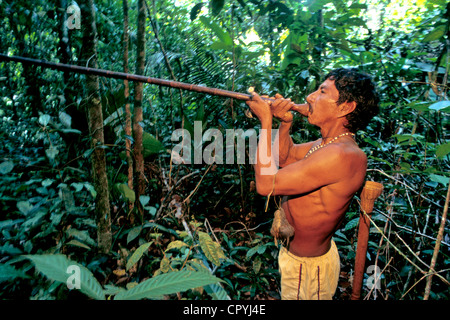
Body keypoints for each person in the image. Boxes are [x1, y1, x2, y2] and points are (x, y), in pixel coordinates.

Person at [245, 68, 379, 300]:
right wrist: (285, 123)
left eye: (322, 91)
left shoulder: (343, 155)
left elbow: (266, 185)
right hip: (298, 262)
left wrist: (265, 122)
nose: (309, 97)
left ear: (346, 108)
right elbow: (285, 158)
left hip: (308, 270)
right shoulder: (327, 144)